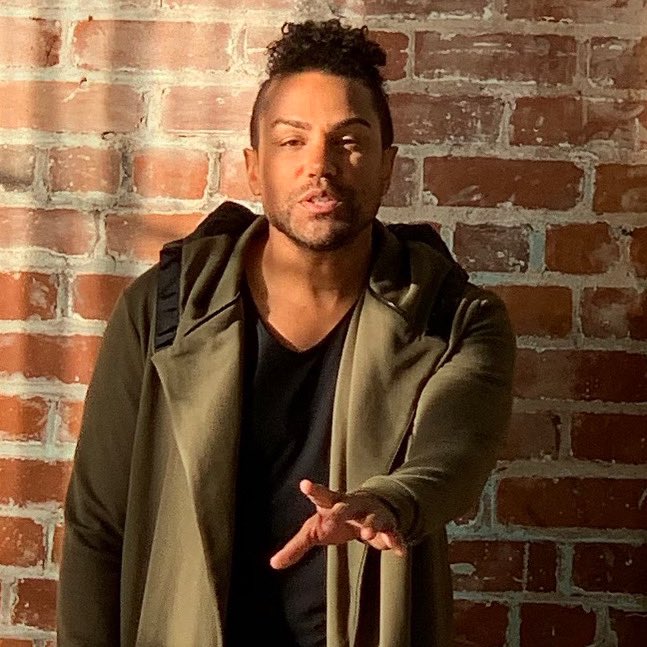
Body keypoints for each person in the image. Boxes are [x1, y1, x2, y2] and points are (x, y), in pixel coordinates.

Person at [57, 19, 515, 647]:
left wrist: (388, 502)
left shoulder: (454, 316)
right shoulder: (164, 309)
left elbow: (455, 454)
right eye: (292, 141)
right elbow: (97, 525)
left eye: (348, 141)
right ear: (255, 168)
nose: (320, 165)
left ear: (387, 167)